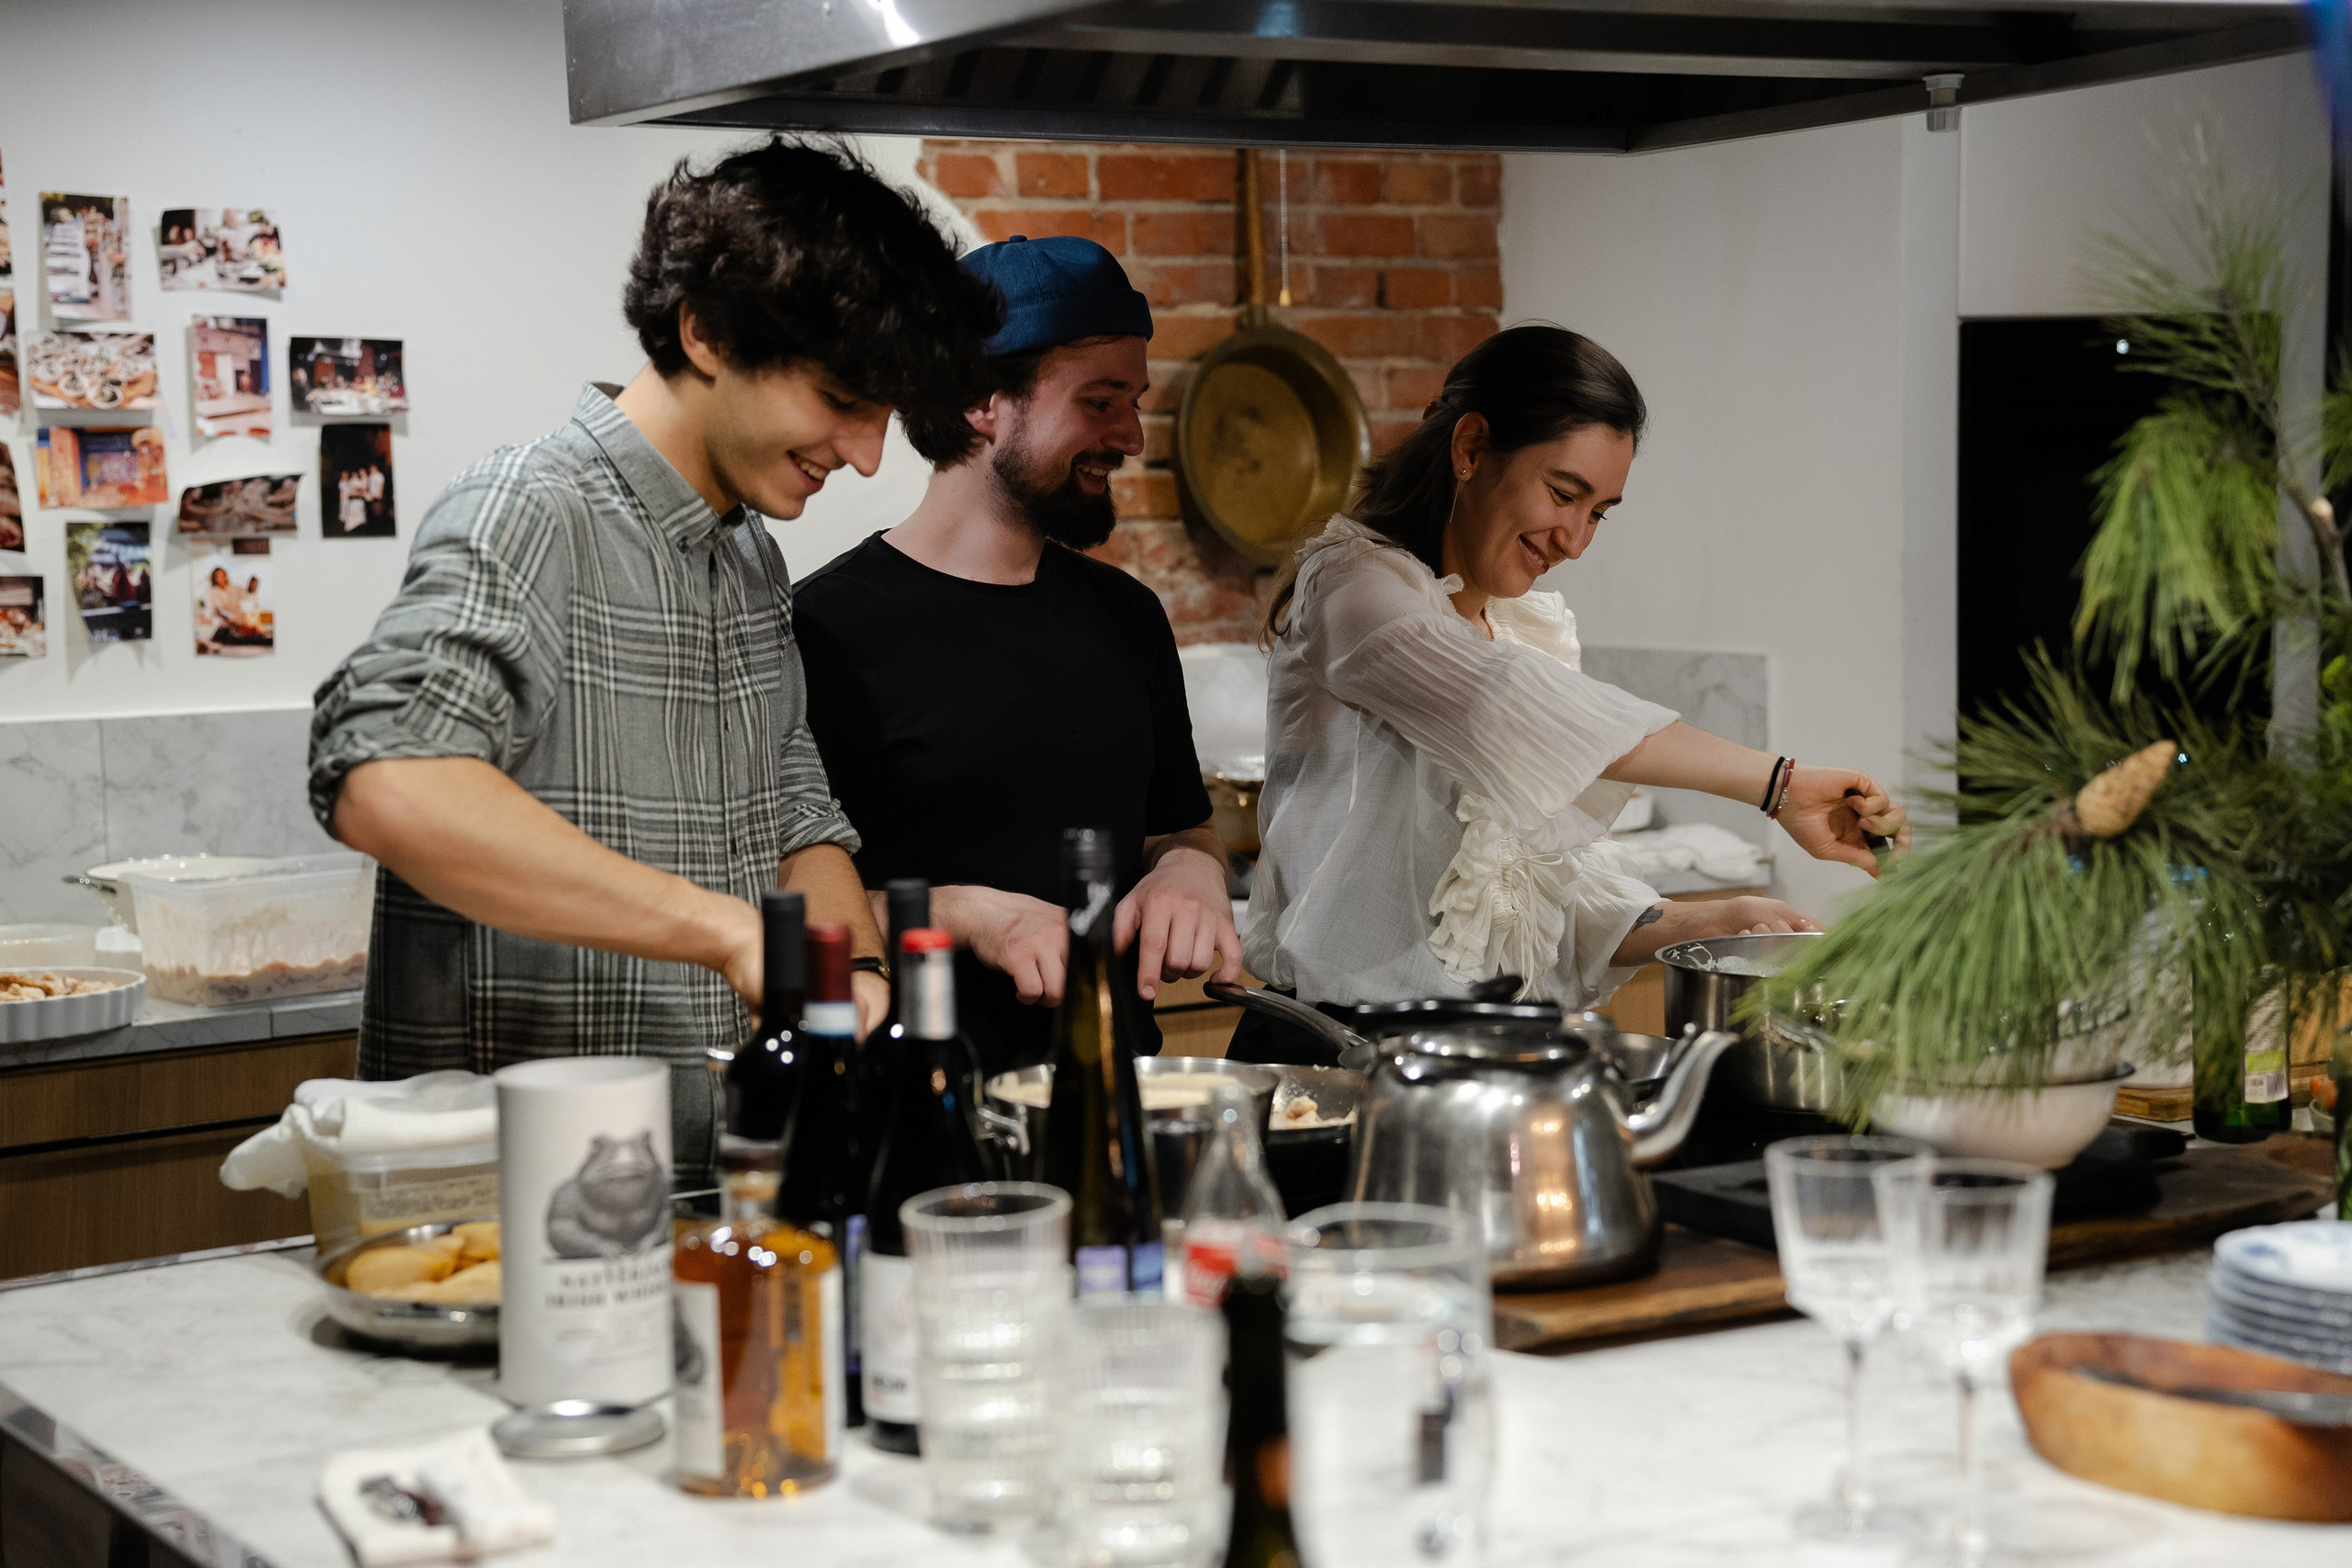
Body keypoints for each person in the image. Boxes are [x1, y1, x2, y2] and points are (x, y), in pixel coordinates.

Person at [308, 140, 1001, 1176]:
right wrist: (725, 932)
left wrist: (852, 973)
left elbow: (796, 816)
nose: (865, 455)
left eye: (884, 418)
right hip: (512, 1208)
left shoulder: (749, 553)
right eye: (841, 400)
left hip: (707, 1189)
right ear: (706, 331)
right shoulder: (528, 509)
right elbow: (384, 780)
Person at [1234, 325, 1907, 1061]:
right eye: (1564, 494)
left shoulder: (1522, 629)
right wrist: (1778, 784)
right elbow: (1502, 706)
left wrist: (1713, 920)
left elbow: (1543, 895)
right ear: (1470, 447)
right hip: (1333, 1057)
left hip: (1479, 1062)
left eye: (1599, 513)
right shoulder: (1357, 592)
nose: (1576, 541)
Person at [794, 236, 1238, 1077]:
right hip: (917, 1108)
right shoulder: (825, 628)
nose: (1131, 436)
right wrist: (963, 915)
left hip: (1113, 1092)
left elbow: (1182, 827)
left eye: (1134, 401)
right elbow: (790, 913)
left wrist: (1191, 871)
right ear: (980, 401)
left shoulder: (1129, 617)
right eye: (1100, 401)